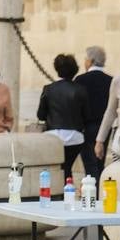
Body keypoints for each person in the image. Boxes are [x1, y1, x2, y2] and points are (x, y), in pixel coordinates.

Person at [36, 54, 90, 183]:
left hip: (53, 135)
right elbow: (87, 115)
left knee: (57, 168)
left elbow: (40, 115)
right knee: (67, 166)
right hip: (75, 137)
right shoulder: (80, 90)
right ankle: (67, 190)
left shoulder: (48, 89)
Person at [75, 46, 112, 181]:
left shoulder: (80, 80)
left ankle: (93, 194)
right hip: (105, 128)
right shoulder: (110, 80)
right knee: (99, 163)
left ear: (90, 61)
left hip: (87, 127)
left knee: (89, 165)